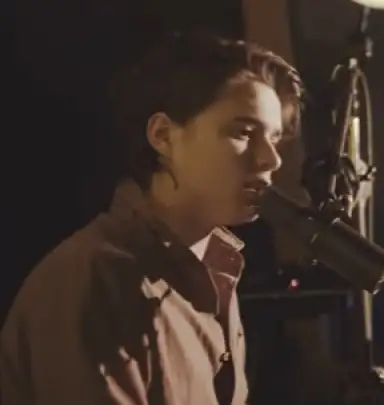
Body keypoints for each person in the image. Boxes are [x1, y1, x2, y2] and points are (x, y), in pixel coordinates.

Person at [0, 31, 303, 405]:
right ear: (163, 136)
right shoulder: (95, 280)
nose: (271, 159)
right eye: (243, 132)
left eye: (274, 138)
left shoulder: (215, 268)